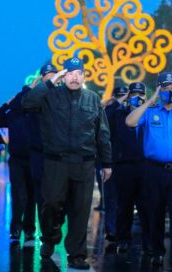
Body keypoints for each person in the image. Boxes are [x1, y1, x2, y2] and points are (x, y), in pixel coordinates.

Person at [22, 57, 112, 270]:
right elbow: (28, 103)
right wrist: (51, 82)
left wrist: (107, 163)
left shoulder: (92, 99)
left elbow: (103, 134)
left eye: (78, 73)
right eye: (70, 73)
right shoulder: (50, 95)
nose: (74, 77)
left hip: (84, 164)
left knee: (80, 210)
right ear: (64, 75)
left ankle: (76, 255)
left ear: (84, 76)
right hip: (56, 163)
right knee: (52, 204)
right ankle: (50, 238)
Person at [126, 72, 172, 267]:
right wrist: (151, 99)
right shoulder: (149, 112)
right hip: (154, 170)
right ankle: (157, 251)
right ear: (159, 89)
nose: (169, 91)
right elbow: (130, 122)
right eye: (164, 87)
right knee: (155, 211)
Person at [0, 63, 57, 240]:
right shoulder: (14, 113)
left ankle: (29, 228)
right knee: (19, 195)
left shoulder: (40, 109)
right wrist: (9, 102)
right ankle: (16, 227)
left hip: (37, 158)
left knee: (35, 196)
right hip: (18, 160)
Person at [105, 82, 150, 255]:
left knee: (146, 206)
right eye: (133, 94)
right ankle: (123, 239)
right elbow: (104, 120)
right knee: (124, 205)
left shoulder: (149, 114)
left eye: (141, 94)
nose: (137, 97)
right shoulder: (118, 113)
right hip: (124, 165)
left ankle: (148, 242)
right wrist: (118, 101)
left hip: (145, 165)